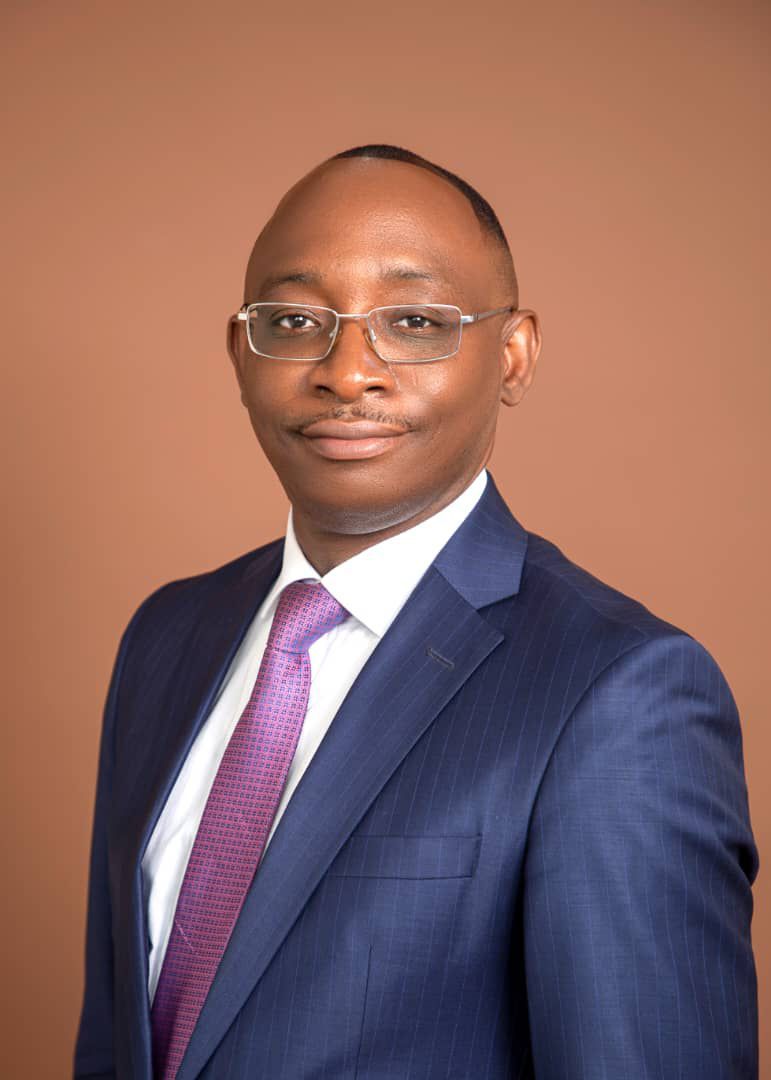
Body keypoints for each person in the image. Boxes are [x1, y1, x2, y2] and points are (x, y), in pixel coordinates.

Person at [74, 144, 758, 1080]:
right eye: (294, 321)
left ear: (513, 355)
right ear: (240, 353)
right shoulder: (168, 636)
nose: (346, 371)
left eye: (412, 321)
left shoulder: (618, 692)